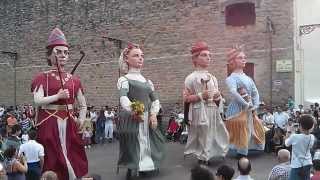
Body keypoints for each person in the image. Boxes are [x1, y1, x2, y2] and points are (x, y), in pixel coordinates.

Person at [31, 27, 88, 180]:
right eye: (58, 51)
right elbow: (37, 100)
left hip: (69, 122)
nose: (63, 55)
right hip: (49, 122)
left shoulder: (74, 80)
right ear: (50, 55)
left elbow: (83, 105)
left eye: (66, 52)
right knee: (52, 155)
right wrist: (58, 96)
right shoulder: (42, 77)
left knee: (73, 153)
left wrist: (81, 119)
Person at [117, 43, 165, 179]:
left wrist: (154, 114)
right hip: (132, 117)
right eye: (136, 55)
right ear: (127, 59)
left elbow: (155, 100)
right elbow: (123, 98)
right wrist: (134, 111)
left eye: (142, 56)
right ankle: (133, 165)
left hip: (147, 117)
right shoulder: (124, 79)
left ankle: (147, 165)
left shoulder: (147, 81)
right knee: (133, 141)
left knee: (150, 141)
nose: (140, 58)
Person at [183, 41, 229, 165]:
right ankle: (202, 157)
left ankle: (212, 153)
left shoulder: (213, 77)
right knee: (203, 134)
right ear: (195, 58)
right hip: (199, 110)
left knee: (215, 132)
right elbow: (186, 98)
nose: (208, 57)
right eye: (204, 55)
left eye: (209, 55)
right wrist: (200, 95)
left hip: (213, 109)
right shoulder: (191, 78)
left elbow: (217, 95)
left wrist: (218, 97)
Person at [224, 45, 265, 158]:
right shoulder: (231, 78)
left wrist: (255, 104)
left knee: (253, 127)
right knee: (241, 127)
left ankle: (246, 149)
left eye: (244, 57)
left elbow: (255, 92)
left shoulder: (248, 78)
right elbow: (233, 92)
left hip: (250, 108)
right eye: (240, 57)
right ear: (233, 61)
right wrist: (246, 104)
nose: (243, 60)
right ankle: (241, 151)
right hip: (238, 108)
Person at [285, 114, 315, 180]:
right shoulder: (312, 137)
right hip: (307, 163)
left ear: (300, 125)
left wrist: (289, 132)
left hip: (296, 165)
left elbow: (286, 144)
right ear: (311, 126)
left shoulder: (294, 136)